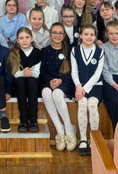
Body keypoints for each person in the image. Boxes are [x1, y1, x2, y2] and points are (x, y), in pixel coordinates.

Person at [41, 22, 76, 152]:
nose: (57, 35)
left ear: (64, 34)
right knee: (46, 92)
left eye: (60, 33)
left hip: (66, 82)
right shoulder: (45, 51)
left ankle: (69, 130)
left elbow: (74, 72)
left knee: (56, 94)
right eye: (54, 32)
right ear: (50, 34)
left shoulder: (71, 50)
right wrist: (50, 80)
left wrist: (61, 80)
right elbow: (42, 72)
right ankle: (60, 130)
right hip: (49, 81)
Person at [71, 24, 104, 156]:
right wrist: (79, 86)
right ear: (81, 36)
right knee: (82, 104)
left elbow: (97, 74)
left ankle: (94, 139)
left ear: (95, 37)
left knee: (92, 105)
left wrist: (84, 88)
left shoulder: (100, 52)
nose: (89, 37)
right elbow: (74, 72)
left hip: (95, 85)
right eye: (86, 34)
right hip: (79, 85)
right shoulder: (75, 50)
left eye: (92, 35)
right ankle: (83, 139)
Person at [8, 27, 41, 132]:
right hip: (19, 83)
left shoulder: (37, 52)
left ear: (32, 38)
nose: (24, 40)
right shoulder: (14, 53)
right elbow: (15, 73)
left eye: (27, 37)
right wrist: (23, 73)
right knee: (20, 81)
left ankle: (33, 120)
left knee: (32, 81)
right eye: (21, 38)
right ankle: (23, 120)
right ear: (17, 40)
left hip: (33, 82)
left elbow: (37, 73)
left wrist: (30, 73)